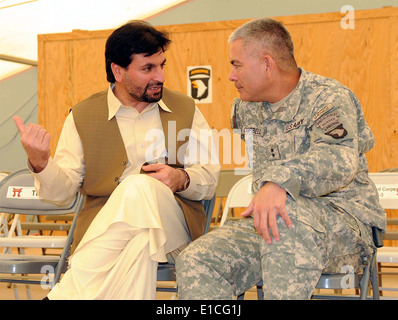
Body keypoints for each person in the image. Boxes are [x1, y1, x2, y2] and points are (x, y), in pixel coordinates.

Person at [176, 17, 386, 300]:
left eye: (236, 64)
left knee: (285, 221)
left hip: (344, 226)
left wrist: (280, 182)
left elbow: (339, 159)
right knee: (198, 258)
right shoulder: (245, 109)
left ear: (267, 64)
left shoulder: (327, 98)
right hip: (272, 223)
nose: (230, 76)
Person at [13, 21, 220, 300]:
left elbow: (208, 178)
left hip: (175, 227)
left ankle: (62, 295)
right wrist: (42, 163)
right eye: (148, 69)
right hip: (122, 234)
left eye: (161, 65)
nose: (159, 76)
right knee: (138, 242)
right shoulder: (83, 115)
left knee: (138, 187)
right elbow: (61, 196)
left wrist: (181, 178)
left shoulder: (186, 109)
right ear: (117, 71)